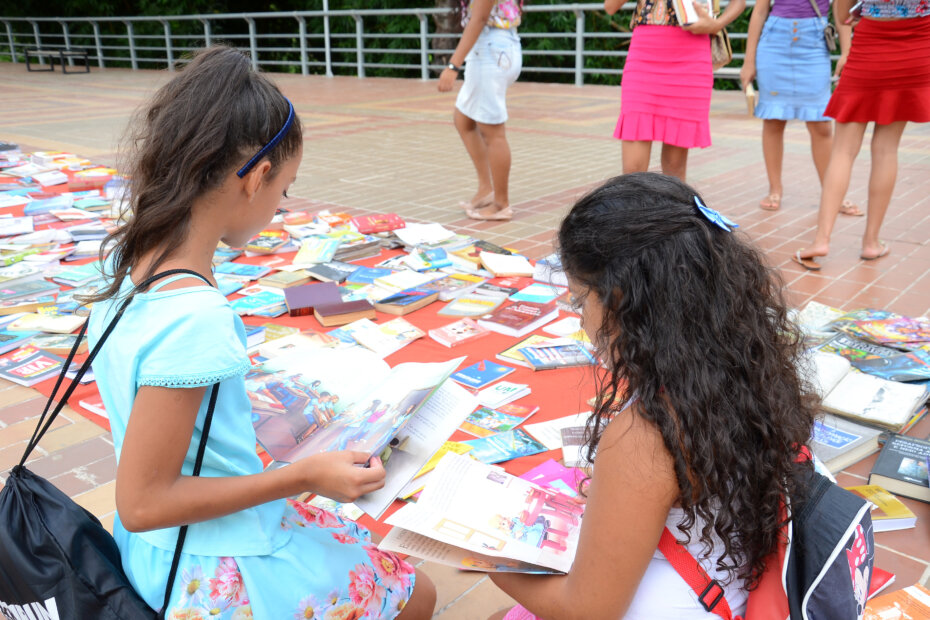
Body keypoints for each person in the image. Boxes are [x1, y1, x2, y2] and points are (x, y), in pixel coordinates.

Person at [86, 46, 435, 620]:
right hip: (208, 568)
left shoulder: (128, 268)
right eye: (287, 190)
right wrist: (301, 475)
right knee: (416, 596)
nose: (281, 207)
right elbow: (145, 501)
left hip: (159, 549)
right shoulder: (196, 316)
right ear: (258, 177)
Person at [488, 173, 817, 619]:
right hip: (734, 587)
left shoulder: (646, 434)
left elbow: (587, 610)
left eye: (580, 300)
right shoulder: (743, 363)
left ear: (625, 301)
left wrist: (489, 557)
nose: (580, 318)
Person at [794, 0, 930, 269]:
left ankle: (821, 239)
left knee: (843, 150)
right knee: (887, 148)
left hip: (871, 43)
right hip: (918, 43)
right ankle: (871, 242)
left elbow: (843, 12)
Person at [741, 0, 861, 213]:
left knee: (821, 125)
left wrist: (847, 52)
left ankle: (832, 193)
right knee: (773, 121)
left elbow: (841, 11)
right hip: (774, 42)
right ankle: (775, 189)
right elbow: (759, 12)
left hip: (814, 43)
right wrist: (749, 61)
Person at [604, 0, 746, 181]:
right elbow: (610, 6)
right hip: (645, 54)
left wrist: (717, 24)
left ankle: (672, 209)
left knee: (675, 169)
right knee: (633, 172)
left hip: (691, 54)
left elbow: (739, 3)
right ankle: (634, 209)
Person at [438, 0, 523, 221]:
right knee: (463, 119)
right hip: (490, 47)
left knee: (493, 132)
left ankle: (501, 204)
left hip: (492, 49)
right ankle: (487, 189)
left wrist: (452, 66)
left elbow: (479, 18)